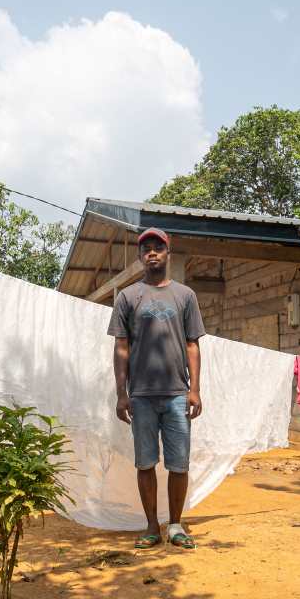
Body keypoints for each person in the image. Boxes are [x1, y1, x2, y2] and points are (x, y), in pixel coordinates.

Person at [108, 227, 205, 549]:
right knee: (145, 463)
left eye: (158, 248)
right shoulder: (127, 297)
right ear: (140, 257)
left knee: (179, 464)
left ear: (167, 254)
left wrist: (195, 389)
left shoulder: (185, 296)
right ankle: (152, 526)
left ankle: (175, 525)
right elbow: (121, 347)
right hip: (142, 397)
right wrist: (122, 393)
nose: (152, 252)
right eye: (146, 248)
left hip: (178, 394)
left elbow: (192, 344)